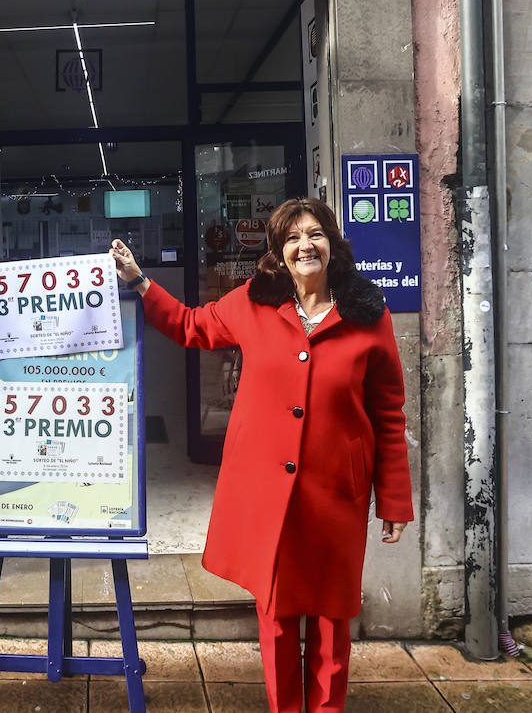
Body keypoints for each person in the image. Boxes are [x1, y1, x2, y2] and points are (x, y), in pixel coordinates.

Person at [110, 198, 412, 713]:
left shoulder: (366, 312)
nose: (305, 246)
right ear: (278, 253)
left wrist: (395, 500)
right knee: (275, 616)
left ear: (333, 244)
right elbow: (190, 325)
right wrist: (141, 282)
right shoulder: (255, 302)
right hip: (270, 494)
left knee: (332, 619)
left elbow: (388, 410)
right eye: (292, 239)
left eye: (314, 234)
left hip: (337, 493)